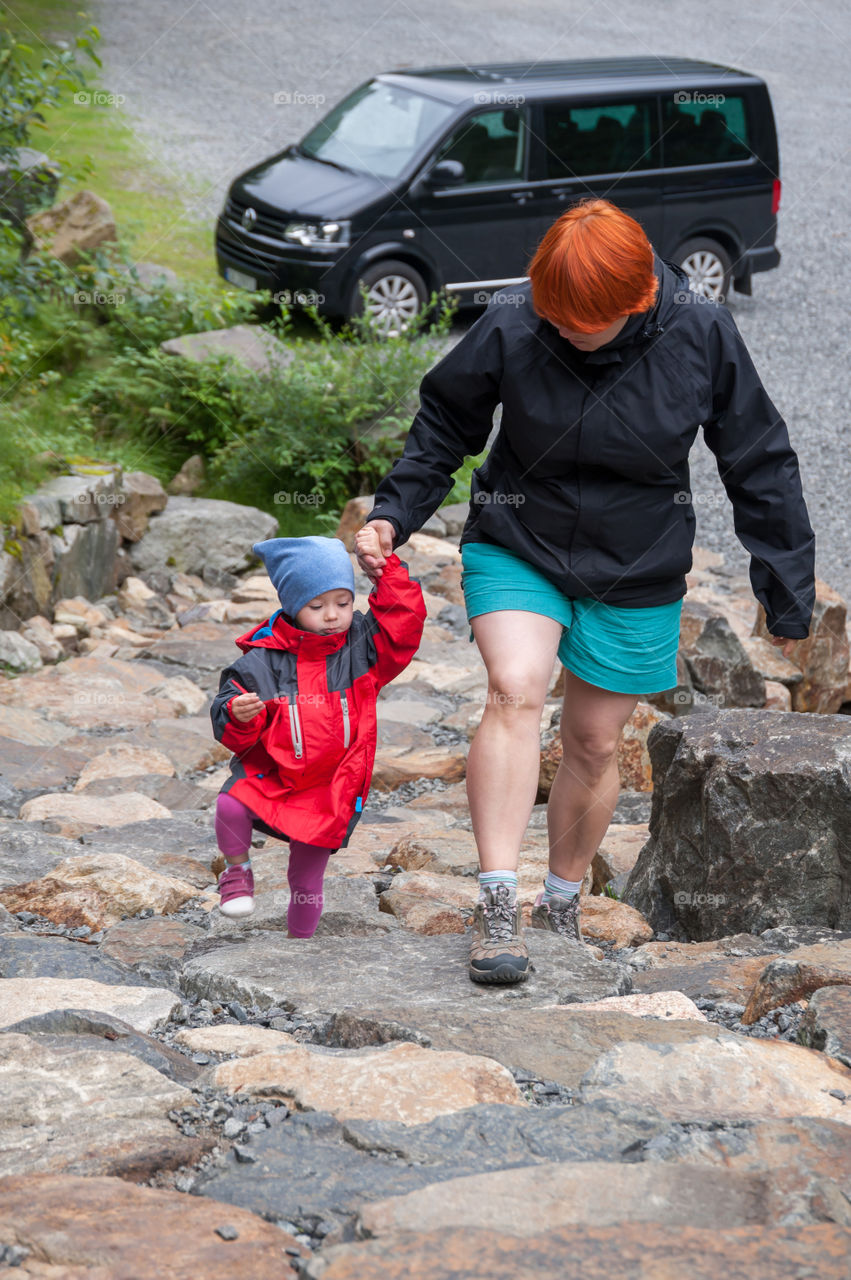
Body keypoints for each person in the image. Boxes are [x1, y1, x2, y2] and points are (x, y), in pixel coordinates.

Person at [355, 196, 815, 986]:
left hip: (635, 560)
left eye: (578, 323)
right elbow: (443, 426)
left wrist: (785, 586)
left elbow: (758, 458)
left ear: (633, 303)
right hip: (518, 540)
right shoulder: (514, 319)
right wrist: (393, 514)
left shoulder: (700, 333)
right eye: (551, 314)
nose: (559, 329)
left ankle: (561, 901)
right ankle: (498, 904)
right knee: (513, 688)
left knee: (595, 743)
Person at [210, 529, 426, 930]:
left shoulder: (361, 647)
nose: (332, 615)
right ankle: (237, 873)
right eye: (316, 605)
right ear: (292, 606)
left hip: (330, 788)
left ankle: (301, 947)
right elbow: (230, 728)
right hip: (275, 775)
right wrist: (240, 715)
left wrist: (386, 571)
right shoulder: (260, 663)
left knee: (306, 880)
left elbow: (404, 623)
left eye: (343, 603)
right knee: (229, 804)